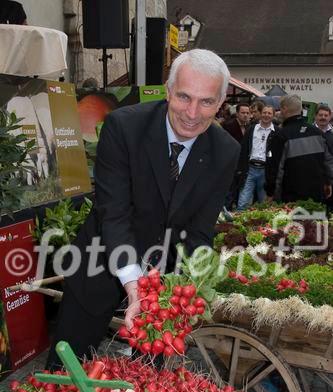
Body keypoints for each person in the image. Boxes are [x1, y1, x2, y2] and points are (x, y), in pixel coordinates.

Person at [46, 49, 240, 369]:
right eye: (184, 97)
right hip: (101, 259)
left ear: (220, 103)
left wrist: (185, 289)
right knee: (67, 369)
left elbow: (200, 230)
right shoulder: (124, 127)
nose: (192, 112)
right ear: (168, 91)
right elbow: (114, 212)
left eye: (206, 102)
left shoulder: (225, 151)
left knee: (148, 381)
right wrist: (134, 284)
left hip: (164, 277)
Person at [265, 94, 333, 203]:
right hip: (316, 195)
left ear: (284, 109)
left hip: (290, 196)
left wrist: (271, 193)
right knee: (316, 219)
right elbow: (328, 162)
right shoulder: (318, 133)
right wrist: (328, 182)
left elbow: (275, 168)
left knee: (293, 220)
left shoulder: (280, 136)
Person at [237, 105, 275, 210]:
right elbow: (243, 149)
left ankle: (262, 226)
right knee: (242, 202)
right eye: (264, 112)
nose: (266, 115)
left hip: (265, 170)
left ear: (273, 115)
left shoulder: (276, 132)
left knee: (264, 204)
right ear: (260, 114)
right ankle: (238, 224)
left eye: (269, 113)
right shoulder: (251, 129)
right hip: (250, 168)